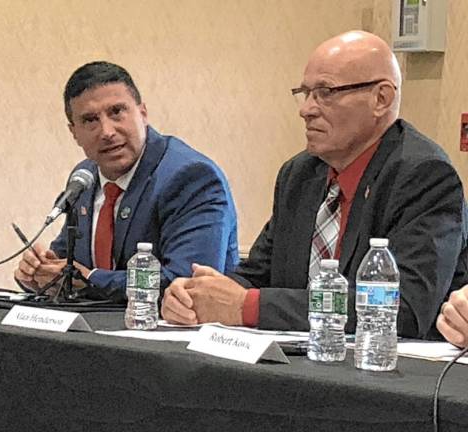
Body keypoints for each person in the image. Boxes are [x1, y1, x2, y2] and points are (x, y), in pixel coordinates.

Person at [162, 30, 468, 339]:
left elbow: (403, 310)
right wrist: (195, 295)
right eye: (305, 92)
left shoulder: (424, 176)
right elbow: (258, 275)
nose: (306, 109)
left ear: (381, 98)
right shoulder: (299, 174)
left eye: (326, 92)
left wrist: (248, 306)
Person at [14, 61, 239, 301]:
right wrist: (37, 273)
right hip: (95, 331)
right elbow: (66, 265)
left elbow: (188, 283)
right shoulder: (84, 178)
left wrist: (91, 279)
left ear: (142, 114)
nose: (107, 131)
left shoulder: (191, 177)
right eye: (90, 120)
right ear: (74, 133)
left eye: (116, 112)